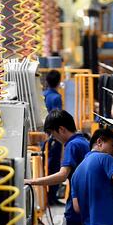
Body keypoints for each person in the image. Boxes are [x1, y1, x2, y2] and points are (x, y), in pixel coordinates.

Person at [25, 110, 90, 225]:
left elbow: (62, 175)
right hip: (85, 205)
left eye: (53, 134)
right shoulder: (83, 141)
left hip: (75, 209)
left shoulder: (72, 145)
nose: (53, 138)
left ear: (61, 129)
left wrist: (32, 181)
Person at [42, 70, 64, 205]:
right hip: (54, 137)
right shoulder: (56, 98)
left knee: (45, 166)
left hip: (44, 137)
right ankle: (52, 197)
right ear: (58, 82)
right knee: (54, 166)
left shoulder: (42, 95)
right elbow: (57, 118)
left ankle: (46, 197)